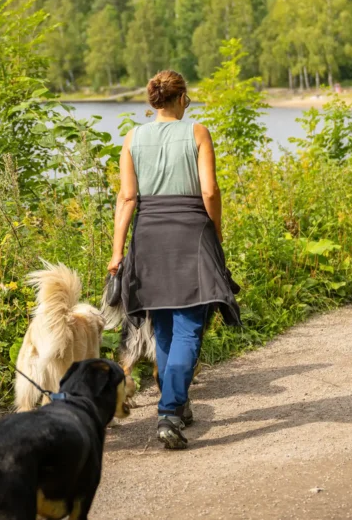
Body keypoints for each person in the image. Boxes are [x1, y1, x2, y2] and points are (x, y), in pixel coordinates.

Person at [108, 70, 240, 450]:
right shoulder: (197, 132)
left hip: (148, 236)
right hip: (190, 233)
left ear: (154, 101)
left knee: (163, 325)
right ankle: (169, 411)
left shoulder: (133, 137)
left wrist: (117, 253)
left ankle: (176, 406)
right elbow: (210, 191)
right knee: (188, 328)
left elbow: (127, 198)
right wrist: (215, 232)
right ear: (182, 98)